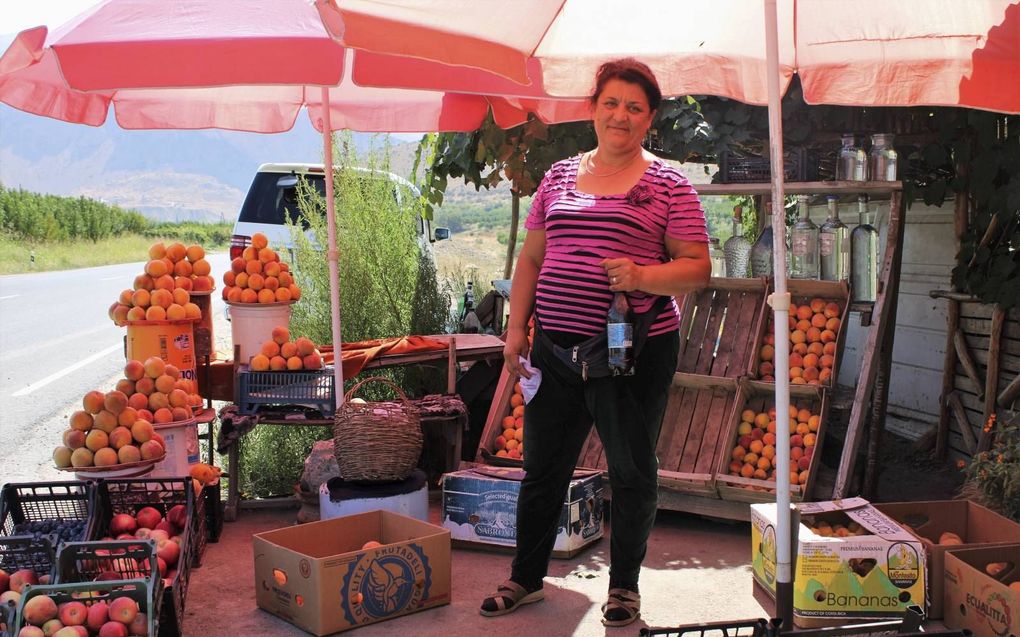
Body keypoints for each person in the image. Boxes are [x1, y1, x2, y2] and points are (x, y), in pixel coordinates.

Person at [479, 58, 711, 627]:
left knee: (631, 471)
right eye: (611, 103)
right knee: (542, 469)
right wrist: (515, 331)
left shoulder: (669, 184)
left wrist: (641, 277)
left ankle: (625, 588)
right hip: (554, 351)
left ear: (649, 118)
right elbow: (531, 258)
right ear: (593, 109)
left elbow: (698, 266)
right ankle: (526, 578)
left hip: (632, 355)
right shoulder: (558, 176)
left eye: (634, 107)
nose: (620, 115)